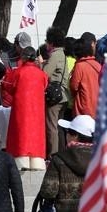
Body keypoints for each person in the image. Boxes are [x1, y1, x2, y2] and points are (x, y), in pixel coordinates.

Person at [5, 47, 48, 170]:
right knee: (36, 138)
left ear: (23, 58)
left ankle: (21, 161)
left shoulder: (18, 72)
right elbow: (45, 84)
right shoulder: (41, 74)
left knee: (21, 137)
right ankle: (38, 162)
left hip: (21, 112)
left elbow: (8, 86)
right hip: (37, 113)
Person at [42, 26, 70, 158]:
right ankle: (61, 152)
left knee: (51, 126)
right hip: (63, 96)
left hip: (54, 97)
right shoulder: (63, 54)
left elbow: (44, 73)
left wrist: (41, 64)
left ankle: (53, 154)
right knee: (59, 127)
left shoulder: (54, 55)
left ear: (51, 42)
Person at [69, 39, 102, 117]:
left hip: (83, 104)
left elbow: (74, 86)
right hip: (97, 103)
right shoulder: (97, 64)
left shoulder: (80, 66)